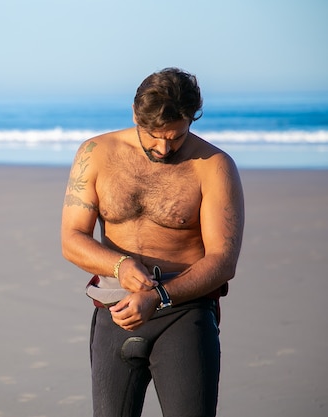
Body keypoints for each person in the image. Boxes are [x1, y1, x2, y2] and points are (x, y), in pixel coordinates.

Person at [60, 68, 244, 417]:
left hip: (184, 313)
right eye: (154, 135)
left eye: (175, 136)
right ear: (135, 115)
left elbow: (223, 260)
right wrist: (120, 265)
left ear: (192, 118)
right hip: (115, 311)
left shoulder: (214, 166)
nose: (163, 148)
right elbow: (72, 239)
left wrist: (158, 295)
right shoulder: (96, 153)